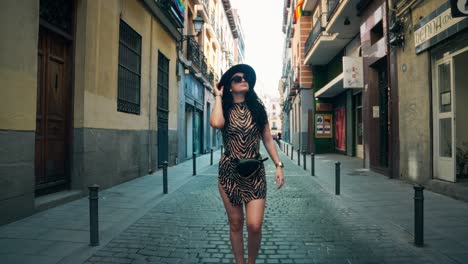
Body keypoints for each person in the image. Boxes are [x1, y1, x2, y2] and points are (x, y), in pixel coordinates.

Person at [209, 64, 285, 264]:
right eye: (237, 78)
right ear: (230, 86)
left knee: (254, 225)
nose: (243, 80)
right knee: (236, 223)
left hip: (255, 172)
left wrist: (279, 165)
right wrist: (218, 95)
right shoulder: (224, 108)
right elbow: (216, 123)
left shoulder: (258, 109)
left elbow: (268, 139)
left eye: (246, 78)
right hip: (229, 172)